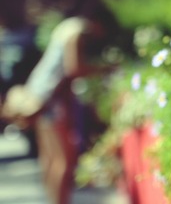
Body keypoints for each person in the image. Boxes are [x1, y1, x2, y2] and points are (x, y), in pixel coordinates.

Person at [1, 14, 114, 204]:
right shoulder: (77, 31)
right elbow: (73, 69)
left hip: (38, 94)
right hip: (52, 100)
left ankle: (53, 200)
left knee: (50, 157)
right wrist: (106, 68)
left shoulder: (66, 27)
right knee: (64, 160)